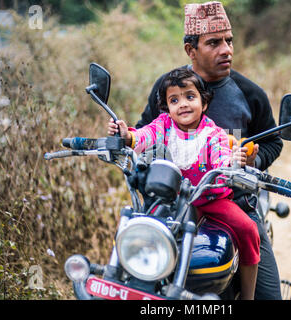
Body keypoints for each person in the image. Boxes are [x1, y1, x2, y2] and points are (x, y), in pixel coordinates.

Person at [110, 1, 283, 299]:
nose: (226, 50)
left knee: (268, 293)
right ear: (191, 50)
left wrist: (252, 158)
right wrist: (125, 138)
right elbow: (145, 131)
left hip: (234, 200)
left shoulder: (250, 94)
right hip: (173, 203)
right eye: (214, 43)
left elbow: (273, 142)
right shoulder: (168, 87)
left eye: (229, 41)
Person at [108, 67, 260, 300]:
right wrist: (126, 136)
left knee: (248, 228)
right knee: (140, 227)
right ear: (167, 107)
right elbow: (143, 136)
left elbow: (222, 158)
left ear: (204, 102)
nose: (183, 104)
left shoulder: (214, 134)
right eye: (174, 100)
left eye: (190, 96)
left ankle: (248, 296)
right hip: (174, 200)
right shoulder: (163, 125)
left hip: (210, 199)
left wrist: (232, 161)